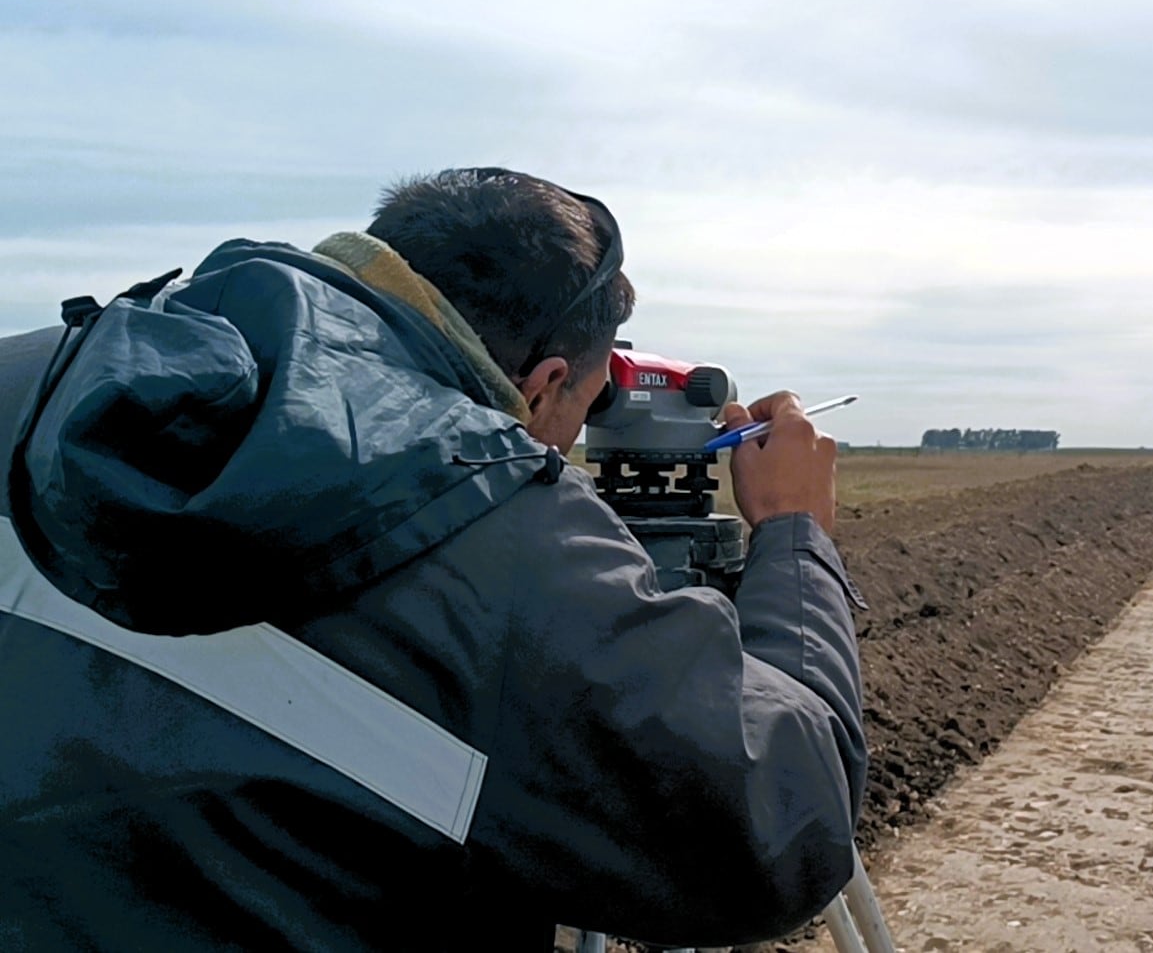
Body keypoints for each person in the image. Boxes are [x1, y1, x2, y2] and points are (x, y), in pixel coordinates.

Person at [0, 168, 868, 950]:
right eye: (583, 404)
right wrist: (794, 535)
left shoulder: (30, 381)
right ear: (539, 385)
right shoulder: (498, 529)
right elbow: (783, 824)